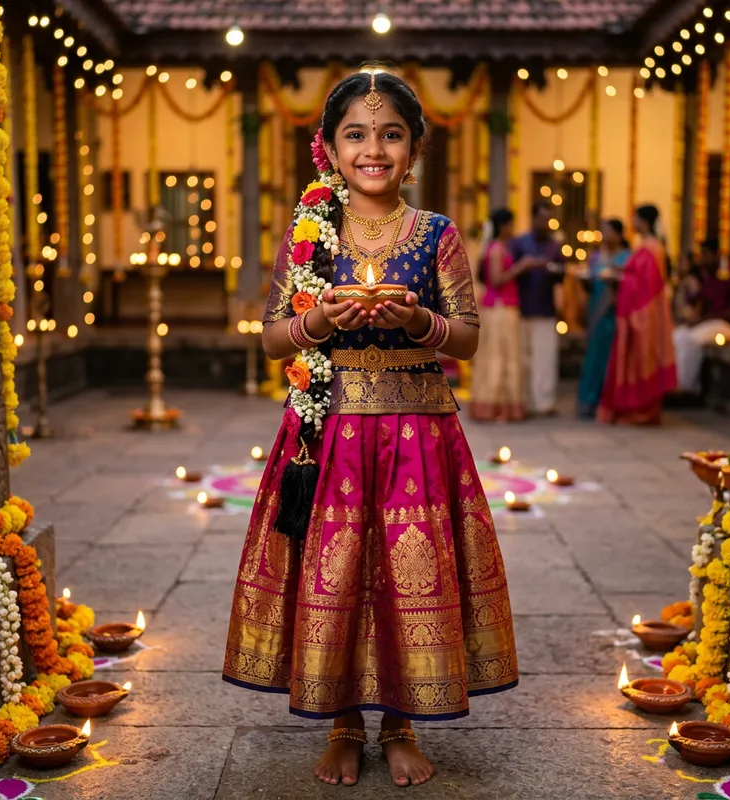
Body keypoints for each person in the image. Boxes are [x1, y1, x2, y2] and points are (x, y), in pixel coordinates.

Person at [223, 70, 518, 789]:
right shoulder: (309, 232)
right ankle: (345, 724)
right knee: (341, 576)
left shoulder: (437, 233)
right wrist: (321, 320)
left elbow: (468, 338)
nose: (373, 148)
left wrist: (416, 319)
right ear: (328, 147)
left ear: (413, 150)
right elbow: (271, 338)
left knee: (406, 577)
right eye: (355, 134)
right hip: (328, 436)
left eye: (390, 134)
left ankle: (403, 723)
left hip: (418, 431)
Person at [597, 205, 676, 424]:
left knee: (641, 360)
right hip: (640, 311)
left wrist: (618, 278)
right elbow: (636, 276)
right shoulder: (647, 247)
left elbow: (645, 285)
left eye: (636, 219)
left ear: (645, 221)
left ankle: (641, 410)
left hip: (643, 313)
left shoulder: (651, 248)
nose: (633, 223)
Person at [470, 208, 529, 422]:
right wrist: (521, 268)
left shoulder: (499, 247)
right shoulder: (496, 249)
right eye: (510, 225)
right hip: (499, 309)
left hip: (502, 307)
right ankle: (496, 408)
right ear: (503, 226)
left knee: (506, 355)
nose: (512, 229)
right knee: (499, 356)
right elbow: (496, 280)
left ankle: (502, 406)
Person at [510, 203, 565, 416]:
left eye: (548, 219)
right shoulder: (520, 243)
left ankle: (544, 403)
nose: (545, 224)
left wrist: (550, 268)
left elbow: (562, 273)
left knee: (545, 357)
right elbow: (510, 270)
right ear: (533, 219)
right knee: (523, 357)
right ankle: (524, 401)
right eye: (542, 219)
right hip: (522, 307)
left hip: (546, 308)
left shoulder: (555, 246)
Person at [576, 219, 631, 419]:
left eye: (608, 231)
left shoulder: (626, 257)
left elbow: (630, 286)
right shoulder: (596, 257)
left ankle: (607, 402)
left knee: (611, 356)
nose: (605, 236)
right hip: (596, 310)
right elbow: (590, 284)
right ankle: (589, 401)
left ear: (619, 234)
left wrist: (616, 280)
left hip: (614, 312)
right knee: (593, 355)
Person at [672, 238, 730, 394]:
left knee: (690, 340)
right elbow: (696, 299)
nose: (702, 259)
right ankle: (676, 382)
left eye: (705, 255)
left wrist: (701, 320)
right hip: (707, 323)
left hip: (726, 325)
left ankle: (688, 386)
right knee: (678, 335)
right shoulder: (709, 276)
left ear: (716, 255)